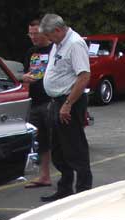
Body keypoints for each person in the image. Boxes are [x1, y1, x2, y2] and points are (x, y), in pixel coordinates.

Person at [39, 13, 93, 202]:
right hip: (57, 101)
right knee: (59, 149)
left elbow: (84, 76)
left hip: (70, 102)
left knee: (75, 147)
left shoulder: (75, 44)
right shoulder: (59, 43)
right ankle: (65, 188)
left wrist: (68, 104)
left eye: (49, 36)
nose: (48, 40)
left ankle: (84, 190)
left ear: (58, 30)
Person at [22, 19, 53, 189]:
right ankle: (44, 176)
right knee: (40, 141)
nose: (33, 37)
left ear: (45, 33)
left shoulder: (54, 50)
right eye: (30, 34)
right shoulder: (31, 52)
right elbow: (26, 72)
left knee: (57, 138)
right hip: (35, 101)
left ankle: (67, 177)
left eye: (36, 33)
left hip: (51, 100)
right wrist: (24, 77)